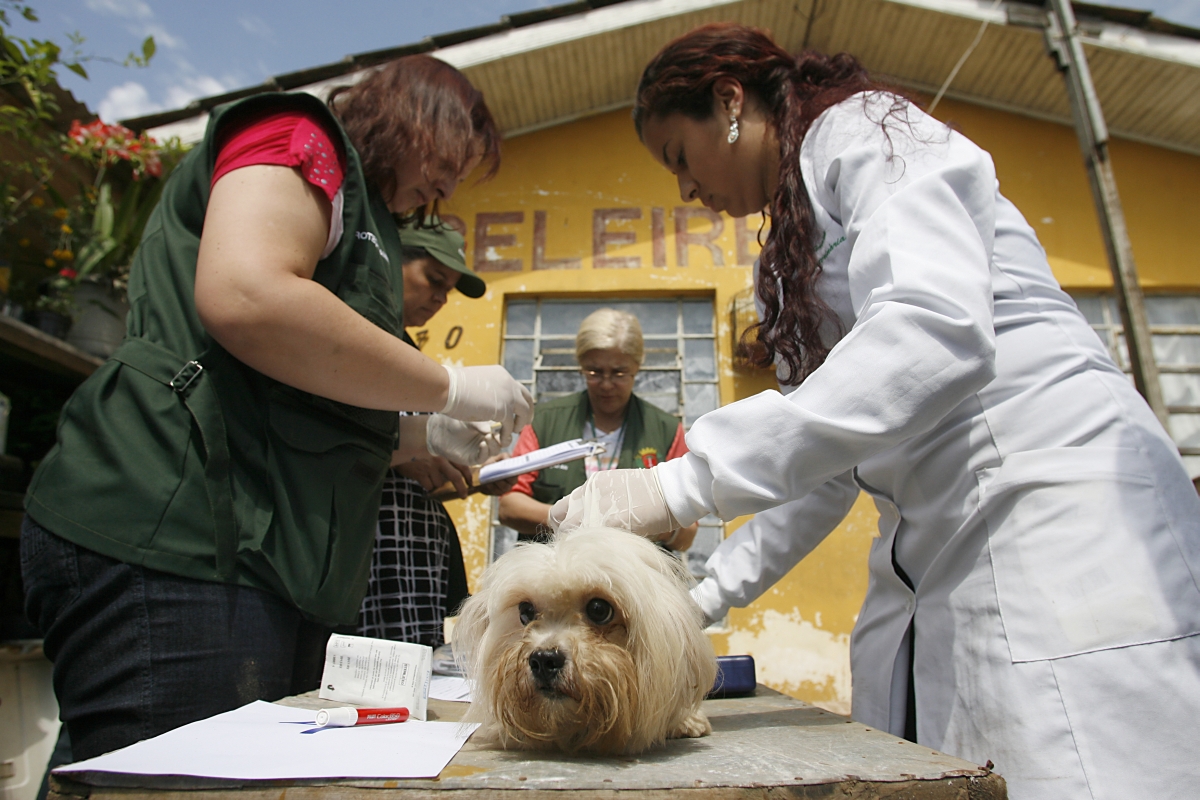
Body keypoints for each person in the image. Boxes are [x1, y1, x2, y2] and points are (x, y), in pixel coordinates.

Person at [550, 23, 1200, 799]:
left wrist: (679, 487)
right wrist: (694, 602)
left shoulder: (865, 134)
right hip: (933, 543)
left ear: (729, 100)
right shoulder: (788, 261)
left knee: (1082, 768)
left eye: (680, 158)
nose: (685, 190)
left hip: (1053, 507)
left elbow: (936, 328)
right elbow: (826, 469)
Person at [20, 55, 533, 762]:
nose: (447, 187)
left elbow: (300, 393)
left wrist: (417, 431)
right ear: (411, 118)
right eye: (450, 159)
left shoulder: (372, 226)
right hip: (178, 532)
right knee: (169, 777)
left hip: (263, 559)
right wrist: (448, 386)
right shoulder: (300, 135)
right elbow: (248, 296)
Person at [358, 220, 517, 647]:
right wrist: (410, 448)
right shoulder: (356, 345)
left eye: (447, 289)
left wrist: (476, 477)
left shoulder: (407, 354)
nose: (440, 298)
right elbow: (333, 446)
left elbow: (416, 477)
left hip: (416, 561)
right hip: (371, 561)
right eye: (433, 280)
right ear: (389, 262)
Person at [500, 308, 696, 551]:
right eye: (594, 372)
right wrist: (572, 519)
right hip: (552, 577)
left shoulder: (666, 430)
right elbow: (509, 506)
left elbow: (688, 532)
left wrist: (652, 524)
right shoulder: (544, 422)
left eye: (619, 373)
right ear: (581, 365)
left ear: (637, 367)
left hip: (633, 579)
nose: (606, 384)